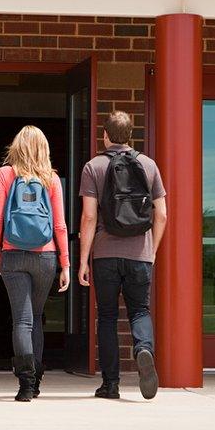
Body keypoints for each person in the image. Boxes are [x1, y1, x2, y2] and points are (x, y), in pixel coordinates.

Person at [78, 110, 167, 401]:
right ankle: (143, 349)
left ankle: (110, 384)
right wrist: (151, 251)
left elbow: (89, 217)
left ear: (105, 135)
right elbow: (162, 215)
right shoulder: (149, 165)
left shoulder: (94, 166)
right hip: (140, 253)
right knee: (140, 310)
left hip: (105, 255)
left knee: (106, 316)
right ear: (131, 135)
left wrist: (83, 260)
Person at [0, 125, 70, 402]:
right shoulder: (52, 179)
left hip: (12, 253)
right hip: (46, 256)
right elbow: (59, 224)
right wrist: (66, 263)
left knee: (21, 320)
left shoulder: (5, 174)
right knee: (35, 318)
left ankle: (24, 386)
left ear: (16, 147)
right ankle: (36, 381)